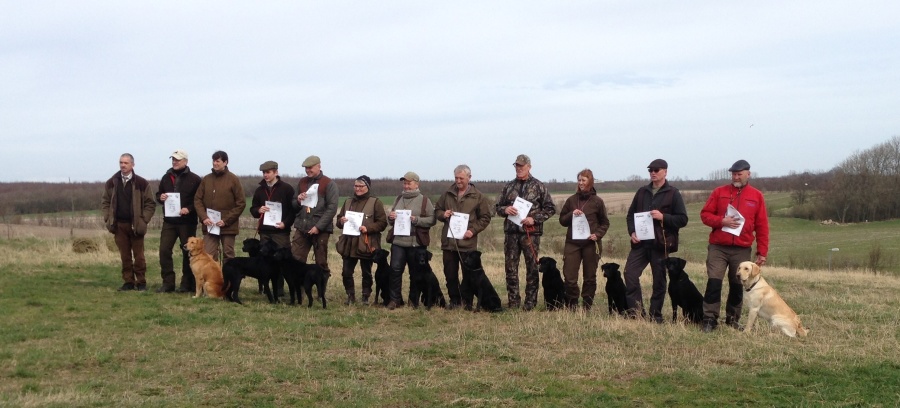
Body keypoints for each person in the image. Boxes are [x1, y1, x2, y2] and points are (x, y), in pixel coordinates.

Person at [700, 159, 770, 332]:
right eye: (733, 174)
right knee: (714, 282)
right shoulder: (719, 192)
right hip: (718, 247)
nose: (736, 177)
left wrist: (762, 251)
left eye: (739, 174)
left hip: (741, 248)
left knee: (737, 284)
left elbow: (762, 225)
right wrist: (721, 221)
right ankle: (709, 319)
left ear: (748, 174)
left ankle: (732, 319)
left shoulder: (756, 196)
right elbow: (705, 215)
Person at [623, 159, 689, 322]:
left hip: (661, 244)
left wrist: (663, 217)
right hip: (640, 243)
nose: (653, 172)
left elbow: (683, 219)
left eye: (656, 170)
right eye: (650, 170)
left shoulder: (673, 193)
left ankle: (655, 315)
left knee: (659, 281)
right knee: (630, 274)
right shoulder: (642, 192)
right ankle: (636, 312)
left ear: (665, 172)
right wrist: (632, 232)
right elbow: (630, 215)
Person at [495, 154, 556, 311]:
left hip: (530, 234)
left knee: (532, 269)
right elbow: (497, 207)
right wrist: (505, 209)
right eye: (517, 166)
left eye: (522, 166)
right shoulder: (508, 187)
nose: (519, 169)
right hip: (511, 234)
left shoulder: (539, 186)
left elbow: (550, 208)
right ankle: (513, 302)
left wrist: (534, 219)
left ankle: (530, 302)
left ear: (529, 167)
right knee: (510, 269)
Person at [434, 165, 492, 309]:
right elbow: (437, 210)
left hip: (468, 243)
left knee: (469, 276)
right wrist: (443, 214)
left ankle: (467, 302)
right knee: (450, 275)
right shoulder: (447, 193)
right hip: (449, 242)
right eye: (456, 178)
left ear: (469, 177)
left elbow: (485, 217)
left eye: (461, 178)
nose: (458, 181)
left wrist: (473, 231)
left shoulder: (478, 196)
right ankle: (455, 301)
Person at [101, 153, 156, 291]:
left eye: (126, 163)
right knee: (125, 256)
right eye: (121, 162)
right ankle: (128, 282)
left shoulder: (142, 183)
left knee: (139, 256)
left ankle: (141, 282)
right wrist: (108, 218)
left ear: (132, 165)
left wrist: (143, 221)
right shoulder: (112, 182)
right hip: (119, 225)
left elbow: (150, 203)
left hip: (136, 226)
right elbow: (105, 201)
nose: (123, 165)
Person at [558, 169, 610, 310]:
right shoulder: (571, 200)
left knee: (589, 277)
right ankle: (572, 303)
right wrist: (571, 214)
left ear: (590, 181)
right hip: (572, 243)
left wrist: (597, 234)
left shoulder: (597, 201)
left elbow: (605, 223)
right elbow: (562, 220)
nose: (581, 183)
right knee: (569, 276)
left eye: (584, 180)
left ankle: (587, 304)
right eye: (579, 180)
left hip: (591, 243)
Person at [385, 171, 436, 310]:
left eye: (409, 183)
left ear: (416, 184)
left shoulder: (425, 200)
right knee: (395, 270)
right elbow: (389, 220)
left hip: (416, 242)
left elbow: (432, 219)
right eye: (404, 183)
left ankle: (413, 301)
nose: (406, 186)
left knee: (416, 273)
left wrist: (417, 220)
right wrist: (391, 217)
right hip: (398, 242)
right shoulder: (398, 199)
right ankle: (395, 300)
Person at [335, 176, 387, 305]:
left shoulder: (375, 202)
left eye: (361, 186)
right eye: (355, 186)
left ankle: (365, 297)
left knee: (366, 272)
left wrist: (368, 228)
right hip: (349, 243)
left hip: (366, 243)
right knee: (346, 272)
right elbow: (339, 220)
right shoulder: (348, 202)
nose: (357, 189)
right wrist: (341, 221)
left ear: (367, 187)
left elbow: (382, 223)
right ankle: (350, 296)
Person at [155, 149, 202, 293]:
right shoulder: (166, 177)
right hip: (169, 221)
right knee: (164, 250)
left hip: (187, 222)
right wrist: (160, 197)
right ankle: (168, 283)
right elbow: (158, 194)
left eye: (178, 159)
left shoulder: (195, 179)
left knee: (188, 252)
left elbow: (199, 200)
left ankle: (187, 284)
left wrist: (189, 209)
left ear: (185, 162)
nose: (174, 162)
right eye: (173, 159)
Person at [250, 161, 296, 296]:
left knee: (281, 260)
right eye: (264, 172)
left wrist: (285, 224)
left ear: (276, 172)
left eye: (268, 172)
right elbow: (252, 209)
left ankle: (280, 290)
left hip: (280, 232)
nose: (265, 175)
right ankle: (267, 289)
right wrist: (259, 209)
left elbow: (292, 211)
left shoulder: (287, 189)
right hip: (265, 231)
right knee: (265, 260)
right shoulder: (260, 190)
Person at [194, 151, 246, 263]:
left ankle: (229, 281)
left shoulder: (233, 179)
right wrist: (204, 218)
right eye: (214, 161)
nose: (215, 163)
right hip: (210, 225)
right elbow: (197, 200)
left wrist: (226, 220)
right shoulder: (206, 179)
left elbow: (241, 203)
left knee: (228, 255)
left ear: (225, 162)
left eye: (218, 161)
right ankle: (214, 280)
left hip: (228, 226)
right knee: (209, 255)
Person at [292, 155, 339, 278]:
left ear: (319, 166)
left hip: (320, 230)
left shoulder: (329, 184)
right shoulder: (302, 182)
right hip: (302, 228)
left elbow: (331, 208)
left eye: (310, 168)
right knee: (296, 260)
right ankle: (299, 292)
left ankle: (321, 293)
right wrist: (298, 200)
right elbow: (293, 204)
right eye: (306, 168)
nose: (308, 170)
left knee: (321, 262)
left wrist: (318, 227)